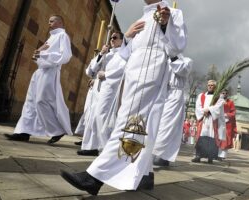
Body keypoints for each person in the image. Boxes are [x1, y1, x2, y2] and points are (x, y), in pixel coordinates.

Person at [60, 0, 187, 195]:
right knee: (135, 121)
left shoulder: (173, 14)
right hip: (133, 74)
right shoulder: (143, 17)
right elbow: (126, 54)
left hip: (150, 72)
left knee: (131, 122)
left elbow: (176, 48)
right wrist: (127, 37)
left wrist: (164, 25)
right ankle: (144, 175)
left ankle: (95, 177)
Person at [4, 15, 72, 144]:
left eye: (51, 21)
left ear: (60, 22)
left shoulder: (62, 36)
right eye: (48, 21)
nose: (49, 23)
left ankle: (57, 130)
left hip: (50, 72)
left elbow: (65, 55)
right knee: (30, 101)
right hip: (40, 71)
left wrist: (43, 54)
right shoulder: (52, 37)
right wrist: (38, 54)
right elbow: (41, 53)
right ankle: (23, 132)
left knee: (42, 100)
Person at [77, 31, 126, 156]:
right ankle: (92, 146)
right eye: (111, 38)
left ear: (122, 40)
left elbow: (122, 70)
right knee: (93, 117)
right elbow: (90, 70)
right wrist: (101, 54)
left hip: (110, 88)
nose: (112, 40)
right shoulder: (107, 54)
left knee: (102, 116)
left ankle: (106, 148)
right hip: (98, 88)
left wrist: (106, 74)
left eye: (115, 38)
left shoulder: (123, 54)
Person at [153, 55, 192, 167]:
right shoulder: (163, 58)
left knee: (167, 125)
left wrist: (173, 57)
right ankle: (161, 155)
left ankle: (159, 155)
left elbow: (183, 71)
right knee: (158, 124)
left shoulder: (186, 60)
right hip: (162, 93)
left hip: (175, 94)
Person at [191, 80, 226, 164]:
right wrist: (204, 111)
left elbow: (218, 107)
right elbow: (198, 106)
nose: (210, 86)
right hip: (204, 118)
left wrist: (209, 110)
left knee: (211, 138)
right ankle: (198, 156)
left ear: (215, 87)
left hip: (212, 120)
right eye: (208, 85)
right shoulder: (201, 96)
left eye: (212, 85)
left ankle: (210, 157)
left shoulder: (219, 97)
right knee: (201, 137)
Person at [217, 89, 237, 160]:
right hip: (218, 122)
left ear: (227, 94)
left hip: (227, 124)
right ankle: (216, 154)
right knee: (218, 138)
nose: (224, 94)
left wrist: (226, 114)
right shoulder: (217, 101)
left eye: (225, 93)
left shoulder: (230, 102)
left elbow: (233, 112)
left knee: (225, 140)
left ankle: (222, 156)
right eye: (223, 93)